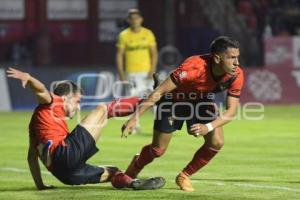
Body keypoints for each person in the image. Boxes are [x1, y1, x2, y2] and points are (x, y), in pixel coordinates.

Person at [6, 68, 165, 190]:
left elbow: (31, 158)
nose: (78, 106)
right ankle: (152, 98)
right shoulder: (53, 103)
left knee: (112, 172)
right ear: (65, 98)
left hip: (64, 175)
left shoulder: (37, 123)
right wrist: (29, 78)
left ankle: (132, 183)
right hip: (65, 155)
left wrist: (40, 185)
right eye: (77, 101)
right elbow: (41, 90)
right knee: (103, 109)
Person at [121, 36, 245, 192]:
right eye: (232, 58)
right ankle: (136, 165)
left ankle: (184, 176)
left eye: (237, 57)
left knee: (216, 142)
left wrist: (208, 126)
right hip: (173, 101)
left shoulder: (236, 74)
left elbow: (232, 110)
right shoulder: (194, 67)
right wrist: (134, 118)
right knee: (157, 150)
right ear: (217, 58)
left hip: (201, 100)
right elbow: (159, 92)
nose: (237, 63)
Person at [116, 8, 158, 98]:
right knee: (131, 99)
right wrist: (121, 73)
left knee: (151, 98)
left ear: (141, 19)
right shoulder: (123, 35)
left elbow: (154, 54)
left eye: (137, 18)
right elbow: (119, 55)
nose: (135, 20)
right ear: (128, 20)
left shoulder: (148, 33)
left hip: (147, 72)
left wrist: (152, 70)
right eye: (132, 18)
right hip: (131, 73)